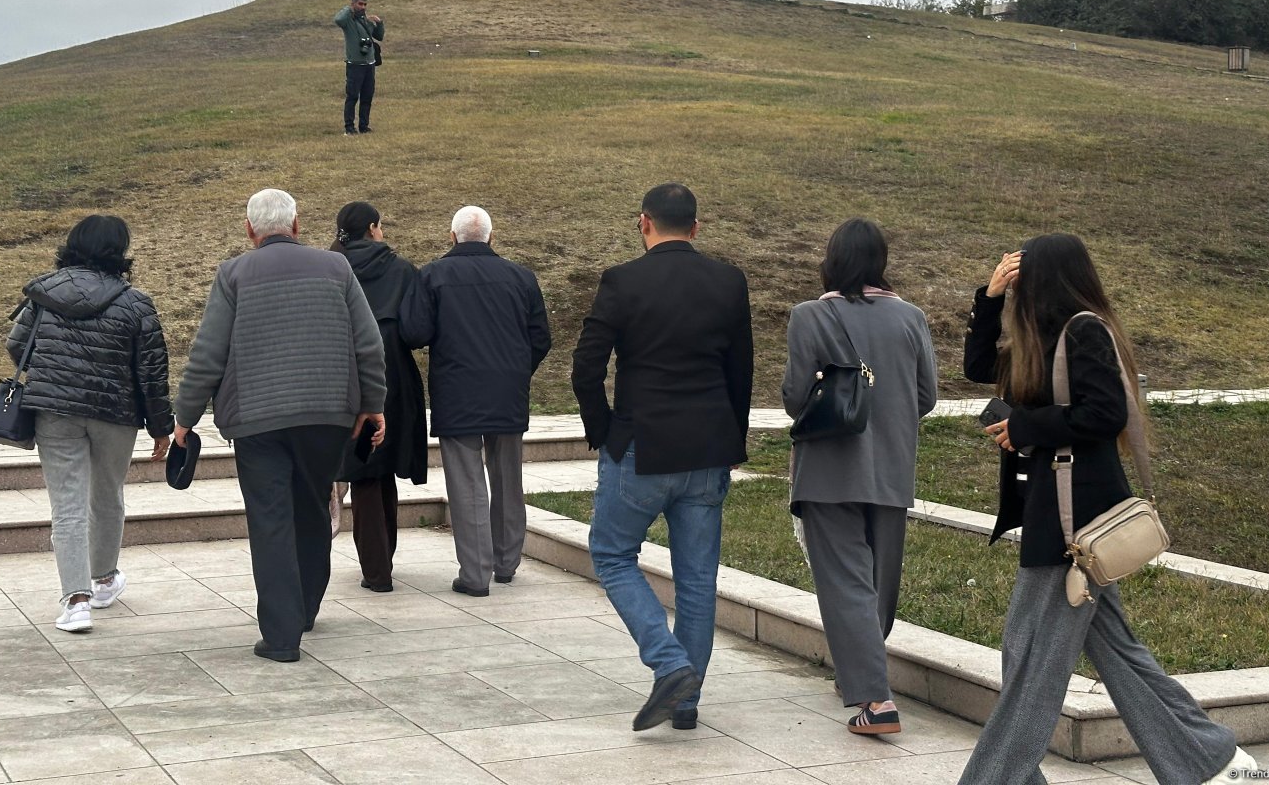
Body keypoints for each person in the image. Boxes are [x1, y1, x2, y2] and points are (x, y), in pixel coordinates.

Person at [956, 234, 1254, 785]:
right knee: (1115, 654)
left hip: (1076, 519)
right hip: (1058, 510)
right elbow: (978, 368)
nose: (1018, 286)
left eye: (1022, 278)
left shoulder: (1084, 331)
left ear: (1047, 279)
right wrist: (990, 298)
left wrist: (1025, 426)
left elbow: (1104, 413)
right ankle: (1211, 760)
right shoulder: (1039, 340)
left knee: (1029, 661)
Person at [173, 189, 386, 662]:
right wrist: (373, 404)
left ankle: (282, 634)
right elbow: (368, 344)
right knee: (312, 507)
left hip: (257, 421)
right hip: (327, 416)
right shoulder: (337, 269)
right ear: (297, 225)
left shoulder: (233, 274)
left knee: (269, 520)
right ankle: (306, 608)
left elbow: (209, 354)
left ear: (250, 229)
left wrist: (184, 419)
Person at [571, 183, 753, 732]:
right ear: (695, 228)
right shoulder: (728, 280)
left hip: (640, 448)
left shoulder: (623, 280)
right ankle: (686, 700)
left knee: (611, 554)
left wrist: (605, 432)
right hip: (706, 451)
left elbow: (586, 366)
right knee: (696, 579)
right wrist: (732, 441)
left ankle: (670, 666)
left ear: (643, 223)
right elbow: (740, 372)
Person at [781, 218, 937, 737]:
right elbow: (927, 397)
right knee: (878, 582)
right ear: (881, 261)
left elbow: (793, 398)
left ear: (832, 260)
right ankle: (862, 667)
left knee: (846, 582)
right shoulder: (912, 317)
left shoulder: (809, 317)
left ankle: (875, 698)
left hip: (828, 468)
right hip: (891, 466)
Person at [6, 215, 174, 634]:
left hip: (55, 413)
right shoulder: (136, 303)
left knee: (67, 505)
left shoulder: (42, 292)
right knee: (107, 495)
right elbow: (152, 371)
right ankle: (103, 580)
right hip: (115, 415)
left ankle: (75, 601)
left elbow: (16, 345)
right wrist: (161, 426)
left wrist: (52, 376)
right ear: (119, 251)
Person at [400, 205, 551, 596]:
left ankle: (475, 574)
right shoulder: (521, 277)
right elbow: (541, 338)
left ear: (452, 237)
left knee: (466, 484)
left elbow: (415, 332)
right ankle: (506, 563)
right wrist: (517, 371)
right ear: (491, 236)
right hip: (507, 391)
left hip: (457, 391)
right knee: (508, 479)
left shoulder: (432, 275)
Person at [331, 202, 428, 593]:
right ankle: (380, 564)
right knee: (379, 469)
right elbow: (418, 332)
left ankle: (378, 567)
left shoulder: (329, 268)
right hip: (393, 376)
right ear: (373, 228)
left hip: (342, 375)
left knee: (365, 469)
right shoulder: (402, 270)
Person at [333, 0, 383, 136]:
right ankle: (349, 127)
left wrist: (379, 23)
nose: (363, 7)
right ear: (353, 4)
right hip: (355, 64)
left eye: (365, 4)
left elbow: (379, 36)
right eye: (360, 4)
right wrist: (349, 9)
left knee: (367, 96)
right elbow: (337, 19)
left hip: (369, 64)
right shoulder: (348, 21)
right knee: (352, 96)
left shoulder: (366, 21)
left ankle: (364, 126)